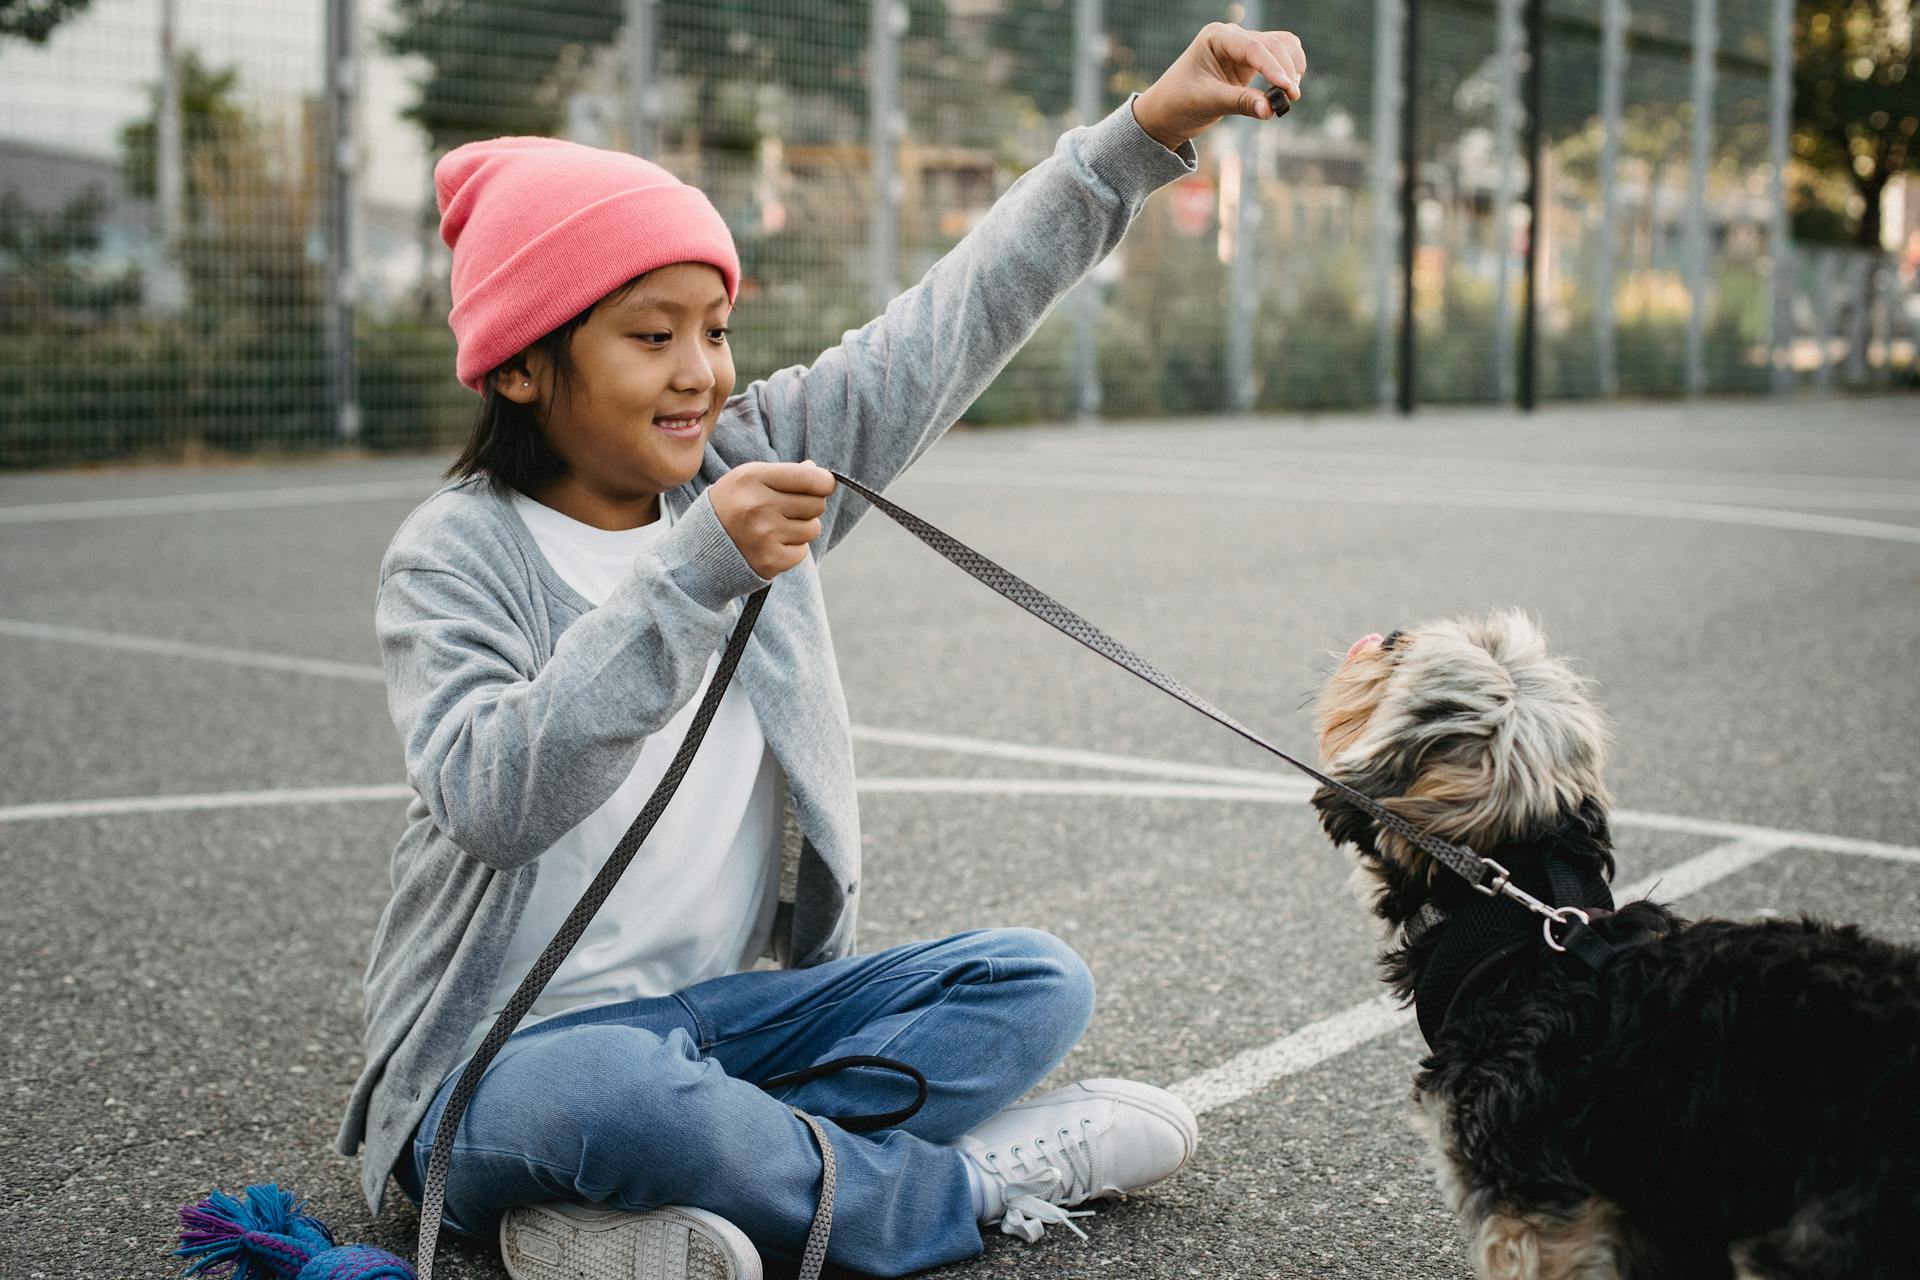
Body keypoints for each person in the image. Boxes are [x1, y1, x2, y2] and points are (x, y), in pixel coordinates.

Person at [335, 21, 1307, 1280]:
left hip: (718, 1034)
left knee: (1032, 981)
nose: (700, 373)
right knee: (616, 1095)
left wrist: (1149, 131)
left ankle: (644, 1216)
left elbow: (949, 322)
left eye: (716, 329)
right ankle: (945, 1188)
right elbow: (494, 795)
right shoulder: (451, 556)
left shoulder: (748, 463)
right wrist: (694, 577)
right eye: (651, 335)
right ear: (523, 363)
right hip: (495, 1074)